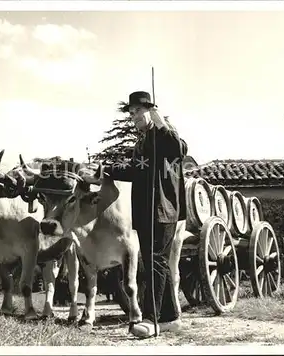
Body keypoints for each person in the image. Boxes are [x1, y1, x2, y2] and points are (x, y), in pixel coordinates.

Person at [103, 91, 187, 338]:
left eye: (138, 111)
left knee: (155, 262)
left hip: (163, 209)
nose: (134, 117)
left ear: (151, 110)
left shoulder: (164, 136)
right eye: (131, 113)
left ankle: (151, 318)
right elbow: (135, 170)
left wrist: (161, 122)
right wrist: (104, 170)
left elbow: (179, 149)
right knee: (153, 262)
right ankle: (170, 318)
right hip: (145, 209)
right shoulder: (142, 142)